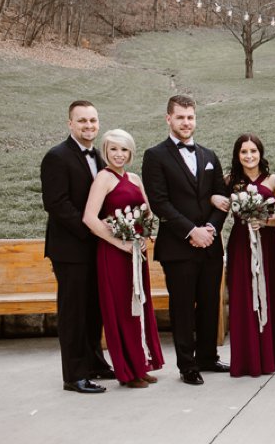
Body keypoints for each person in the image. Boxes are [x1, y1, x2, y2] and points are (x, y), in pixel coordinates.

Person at [142, 94, 229, 386]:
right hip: (178, 246)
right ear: (168, 118)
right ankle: (187, 364)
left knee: (208, 303)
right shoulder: (155, 156)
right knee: (182, 307)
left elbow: (221, 200)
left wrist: (211, 231)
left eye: (190, 117)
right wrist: (192, 231)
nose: (186, 122)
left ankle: (207, 356)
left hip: (211, 244)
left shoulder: (209, 156)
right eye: (180, 117)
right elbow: (159, 202)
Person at [40, 100, 114, 393]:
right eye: (82, 121)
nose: (88, 126)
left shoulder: (99, 155)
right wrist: (91, 230)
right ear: (70, 124)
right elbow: (56, 203)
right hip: (70, 249)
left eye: (93, 121)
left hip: (96, 247)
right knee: (73, 312)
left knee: (94, 309)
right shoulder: (56, 156)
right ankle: (74, 374)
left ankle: (95, 361)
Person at [82, 129, 164, 388]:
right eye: (113, 149)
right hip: (114, 254)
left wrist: (143, 232)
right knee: (121, 310)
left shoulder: (135, 178)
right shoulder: (103, 179)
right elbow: (89, 218)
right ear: (106, 150)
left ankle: (142, 364)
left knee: (139, 307)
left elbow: (148, 213)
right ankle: (128, 372)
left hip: (137, 253)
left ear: (131, 152)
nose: (119, 154)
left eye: (124, 150)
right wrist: (120, 241)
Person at [212, 134, 275, 377]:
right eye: (244, 152)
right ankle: (248, 358)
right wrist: (213, 197)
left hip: (267, 242)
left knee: (272, 291)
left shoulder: (273, 180)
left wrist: (264, 220)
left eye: (253, 151)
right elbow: (217, 207)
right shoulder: (229, 181)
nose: (249, 156)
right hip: (240, 243)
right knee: (243, 296)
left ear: (260, 153)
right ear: (238, 155)